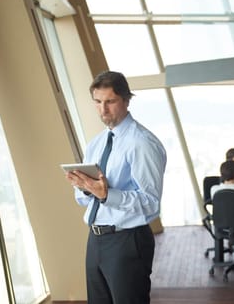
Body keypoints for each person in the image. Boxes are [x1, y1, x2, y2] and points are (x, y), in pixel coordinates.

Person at [65, 71, 167, 304]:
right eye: (98, 102)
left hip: (127, 240)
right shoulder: (97, 143)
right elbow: (84, 200)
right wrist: (85, 187)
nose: (103, 110)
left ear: (126, 100)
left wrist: (106, 194)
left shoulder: (142, 144)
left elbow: (151, 202)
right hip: (96, 238)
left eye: (110, 101)